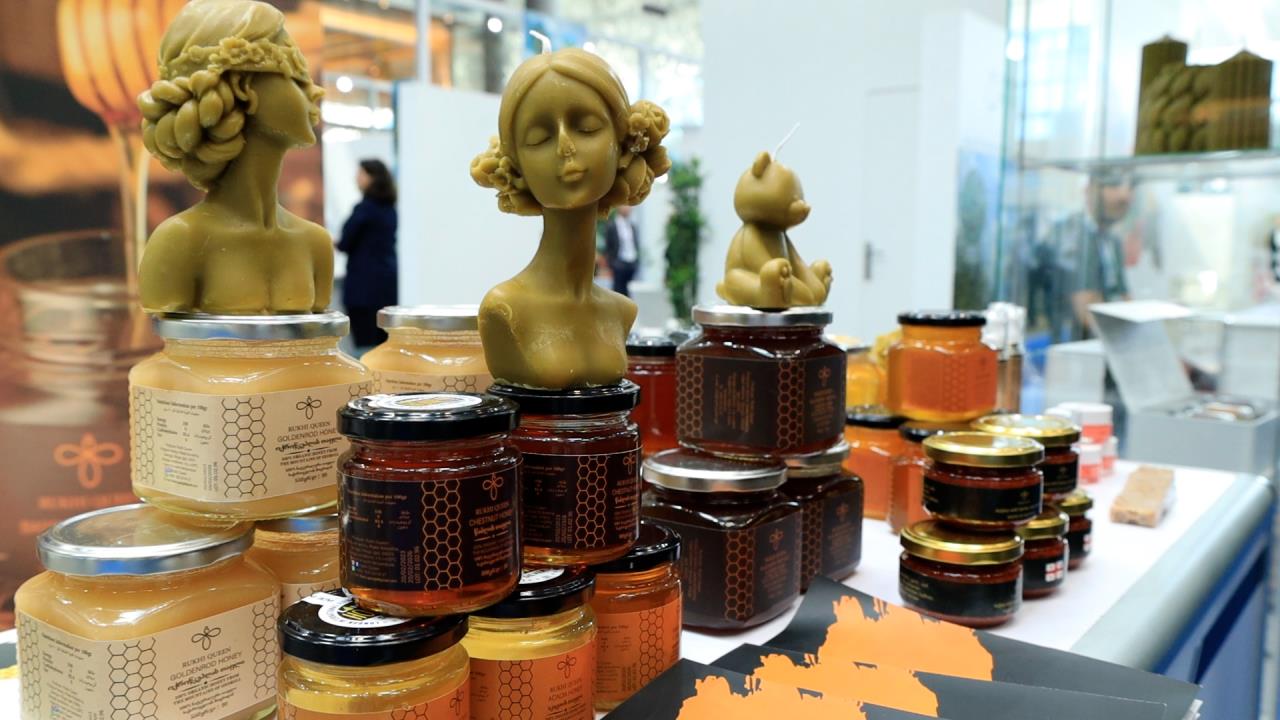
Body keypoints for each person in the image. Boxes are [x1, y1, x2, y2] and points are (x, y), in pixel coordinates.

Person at [1031, 173, 1133, 341]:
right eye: (1113, 185)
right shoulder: (1072, 234)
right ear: (1089, 190)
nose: (1124, 196)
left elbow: (1124, 298)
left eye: (1129, 187)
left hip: (1105, 342)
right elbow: (1088, 314)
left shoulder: (1111, 239)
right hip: (1070, 345)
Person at [338, 159, 399, 349]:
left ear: (373, 178)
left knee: (364, 346)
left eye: (361, 173)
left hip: (362, 288)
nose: (356, 178)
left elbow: (345, 242)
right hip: (386, 286)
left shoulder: (364, 209)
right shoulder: (390, 209)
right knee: (383, 345)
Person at [603, 205, 640, 297]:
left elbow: (634, 244)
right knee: (618, 290)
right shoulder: (612, 225)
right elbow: (608, 245)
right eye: (625, 206)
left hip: (631, 262)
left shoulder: (632, 226)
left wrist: (636, 261)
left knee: (626, 290)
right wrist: (612, 263)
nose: (628, 209)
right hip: (618, 262)